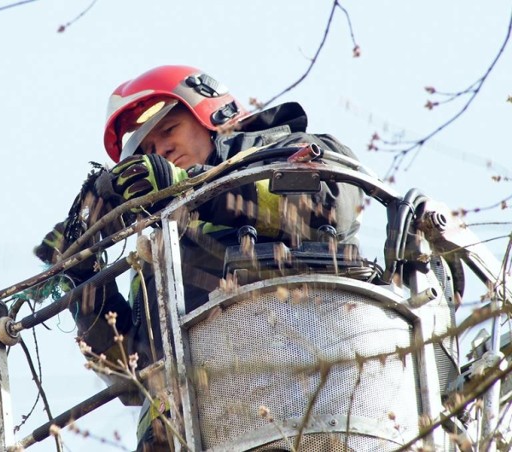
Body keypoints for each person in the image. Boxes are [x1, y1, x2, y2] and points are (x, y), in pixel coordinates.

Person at [34, 65, 365, 451]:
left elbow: (331, 207)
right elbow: (130, 374)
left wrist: (196, 188)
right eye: (149, 152)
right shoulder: (161, 252)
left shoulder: (290, 149)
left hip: (300, 397)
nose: (162, 151)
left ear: (213, 118)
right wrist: (85, 281)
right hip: (181, 434)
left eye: (169, 131)